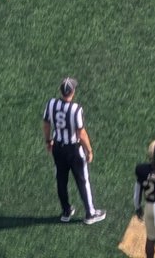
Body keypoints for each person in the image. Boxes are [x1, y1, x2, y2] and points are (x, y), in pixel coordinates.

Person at [42, 77, 106, 224]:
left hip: (58, 147)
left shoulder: (51, 104)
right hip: (74, 150)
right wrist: (89, 150)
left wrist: (48, 140)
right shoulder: (76, 109)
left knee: (61, 179)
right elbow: (81, 133)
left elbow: (46, 123)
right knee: (83, 180)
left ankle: (66, 211)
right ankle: (90, 213)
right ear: (73, 91)